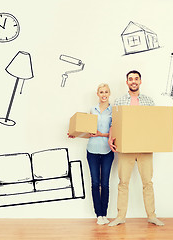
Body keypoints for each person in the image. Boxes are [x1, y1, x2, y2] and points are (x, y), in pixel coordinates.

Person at [108, 70, 164, 227]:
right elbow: (114, 123)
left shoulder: (149, 101)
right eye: (130, 79)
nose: (133, 81)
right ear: (127, 82)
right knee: (123, 182)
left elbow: (155, 123)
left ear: (140, 81)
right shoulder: (119, 101)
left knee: (148, 182)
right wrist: (110, 139)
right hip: (126, 147)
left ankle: (152, 216)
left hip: (145, 147)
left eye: (136, 79)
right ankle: (120, 216)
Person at [68, 83, 114, 225]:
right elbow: (88, 131)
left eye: (106, 92)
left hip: (107, 151)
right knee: (95, 183)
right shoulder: (92, 110)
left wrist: (103, 134)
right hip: (92, 150)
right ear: (97, 94)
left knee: (105, 184)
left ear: (109, 93)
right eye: (101, 92)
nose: (104, 94)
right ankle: (98, 215)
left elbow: (115, 131)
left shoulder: (114, 111)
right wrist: (76, 134)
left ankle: (104, 214)